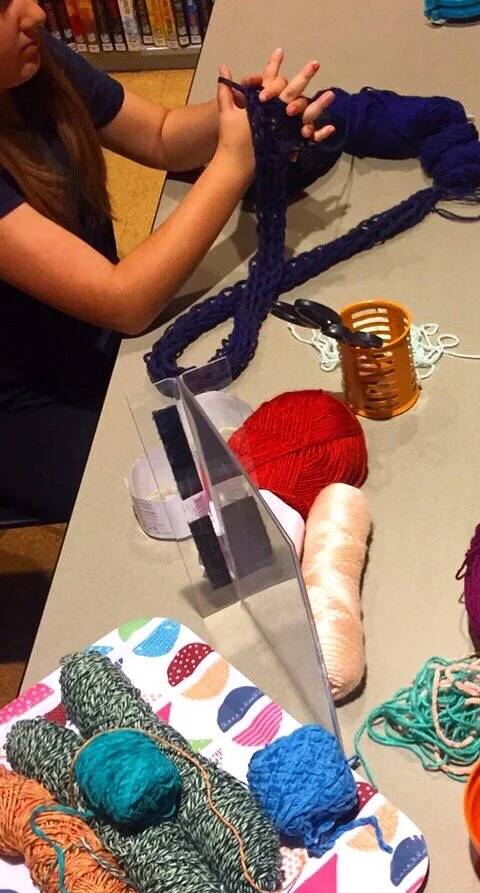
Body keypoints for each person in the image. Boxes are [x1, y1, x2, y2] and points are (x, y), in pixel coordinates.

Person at [0, 9, 331, 521]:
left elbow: (159, 133)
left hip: (87, 336)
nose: (37, 11)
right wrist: (232, 164)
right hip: (22, 406)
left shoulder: (31, 57)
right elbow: (125, 302)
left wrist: (247, 111)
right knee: (192, 499)